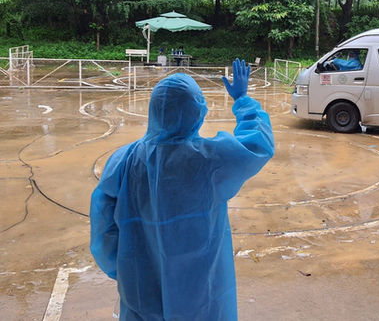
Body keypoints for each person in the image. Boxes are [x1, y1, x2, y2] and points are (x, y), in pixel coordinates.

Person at [90, 59, 275, 321]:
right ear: (196, 111)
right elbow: (258, 146)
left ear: (154, 110)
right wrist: (243, 100)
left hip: (141, 291)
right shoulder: (210, 158)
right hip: (201, 297)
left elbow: (103, 230)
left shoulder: (123, 161)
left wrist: (125, 270)